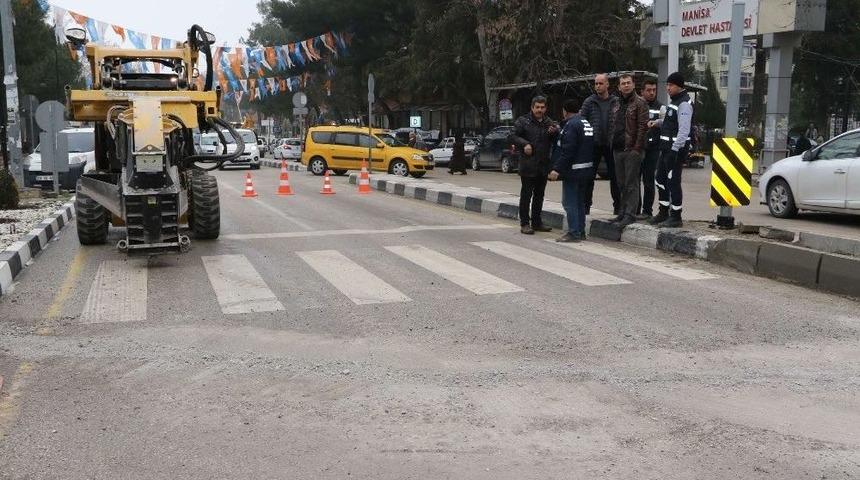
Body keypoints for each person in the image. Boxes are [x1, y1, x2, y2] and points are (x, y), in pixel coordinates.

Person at [509, 95, 560, 235]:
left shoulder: (548, 122)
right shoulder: (523, 121)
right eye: (537, 107)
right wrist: (524, 144)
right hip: (528, 165)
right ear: (532, 107)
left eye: (542, 107)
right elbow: (512, 136)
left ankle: (537, 222)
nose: (540, 110)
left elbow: (556, 137)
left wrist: (555, 132)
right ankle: (525, 223)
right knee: (526, 195)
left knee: (539, 195)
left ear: (546, 108)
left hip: (543, 165)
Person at [648, 71, 692, 228]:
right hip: (666, 149)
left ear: (679, 86)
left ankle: (676, 216)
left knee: (673, 182)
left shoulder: (684, 103)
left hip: (675, 151)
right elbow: (671, 122)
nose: (667, 88)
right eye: (666, 85)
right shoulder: (675, 101)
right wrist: (658, 122)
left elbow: (684, 130)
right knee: (660, 179)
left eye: (671, 85)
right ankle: (663, 212)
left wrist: (674, 150)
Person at [549, 99, 594, 242]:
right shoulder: (584, 122)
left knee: (569, 203)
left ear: (565, 111)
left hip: (574, 171)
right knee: (580, 202)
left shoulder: (571, 125)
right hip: (586, 170)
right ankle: (580, 231)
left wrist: (557, 169)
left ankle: (573, 232)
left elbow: (568, 150)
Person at [610, 74, 649, 227]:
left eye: (628, 83)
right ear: (619, 87)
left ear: (633, 85)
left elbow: (642, 127)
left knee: (631, 183)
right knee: (621, 183)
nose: (626, 85)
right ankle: (622, 212)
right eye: (623, 83)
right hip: (617, 148)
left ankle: (630, 214)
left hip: (632, 149)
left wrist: (637, 149)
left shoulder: (640, 103)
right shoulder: (616, 103)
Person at [580, 73, 620, 215]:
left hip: (611, 144)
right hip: (593, 145)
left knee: (615, 177)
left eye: (601, 83)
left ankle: (618, 207)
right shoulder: (589, 102)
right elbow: (581, 121)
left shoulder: (616, 101)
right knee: (589, 177)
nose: (598, 86)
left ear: (607, 84)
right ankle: (585, 207)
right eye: (596, 83)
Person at [638, 78, 663, 220]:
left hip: (653, 149)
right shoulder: (637, 105)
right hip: (637, 148)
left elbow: (665, 125)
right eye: (648, 90)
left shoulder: (661, 107)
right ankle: (634, 210)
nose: (652, 93)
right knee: (634, 180)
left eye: (654, 90)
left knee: (648, 181)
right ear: (642, 91)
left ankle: (647, 211)